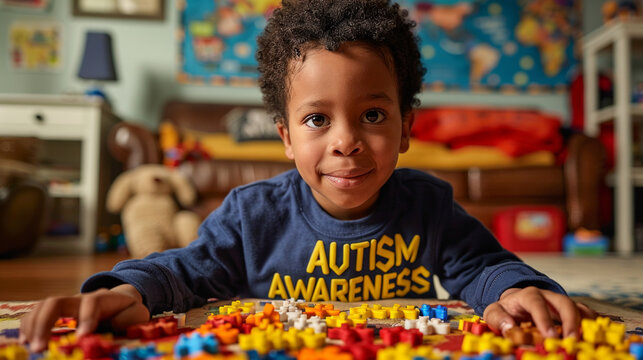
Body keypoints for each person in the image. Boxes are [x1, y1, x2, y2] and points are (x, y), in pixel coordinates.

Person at [20, 0, 594, 352]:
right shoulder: (252, 214)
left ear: (405, 127)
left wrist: (519, 292)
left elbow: (483, 265)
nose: (346, 140)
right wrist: (127, 291)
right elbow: (185, 271)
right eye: (317, 119)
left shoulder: (428, 204)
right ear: (287, 137)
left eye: (373, 115)